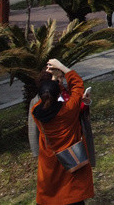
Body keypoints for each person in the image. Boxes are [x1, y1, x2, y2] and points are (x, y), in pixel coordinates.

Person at [30, 58, 94, 205]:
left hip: (50, 161)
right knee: (72, 195)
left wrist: (51, 83)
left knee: (51, 196)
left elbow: (46, 99)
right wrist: (62, 67)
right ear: (57, 92)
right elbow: (77, 84)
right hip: (72, 158)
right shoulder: (68, 110)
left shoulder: (36, 111)